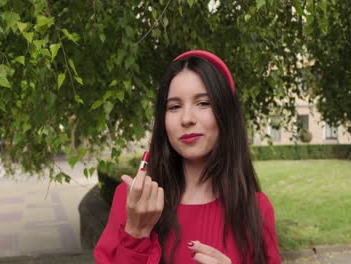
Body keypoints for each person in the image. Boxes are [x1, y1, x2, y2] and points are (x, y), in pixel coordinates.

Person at [94, 50, 281, 264]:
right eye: (174, 107)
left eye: (203, 103)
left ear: (226, 114)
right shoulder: (134, 199)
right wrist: (136, 233)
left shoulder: (256, 209)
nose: (186, 119)